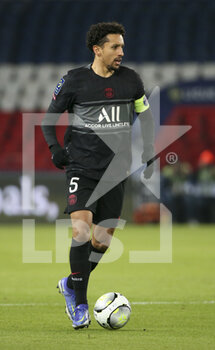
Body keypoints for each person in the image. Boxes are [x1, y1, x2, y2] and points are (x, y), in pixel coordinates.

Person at [41, 22, 154, 329]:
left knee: (103, 241)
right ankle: (79, 304)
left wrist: (149, 149)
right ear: (98, 49)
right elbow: (48, 120)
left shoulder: (131, 80)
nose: (121, 52)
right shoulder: (74, 80)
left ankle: (69, 283)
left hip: (116, 170)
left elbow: (144, 114)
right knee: (81, 229)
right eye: (115, 47)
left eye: (122, 46)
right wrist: (54, 148)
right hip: (82, 166)